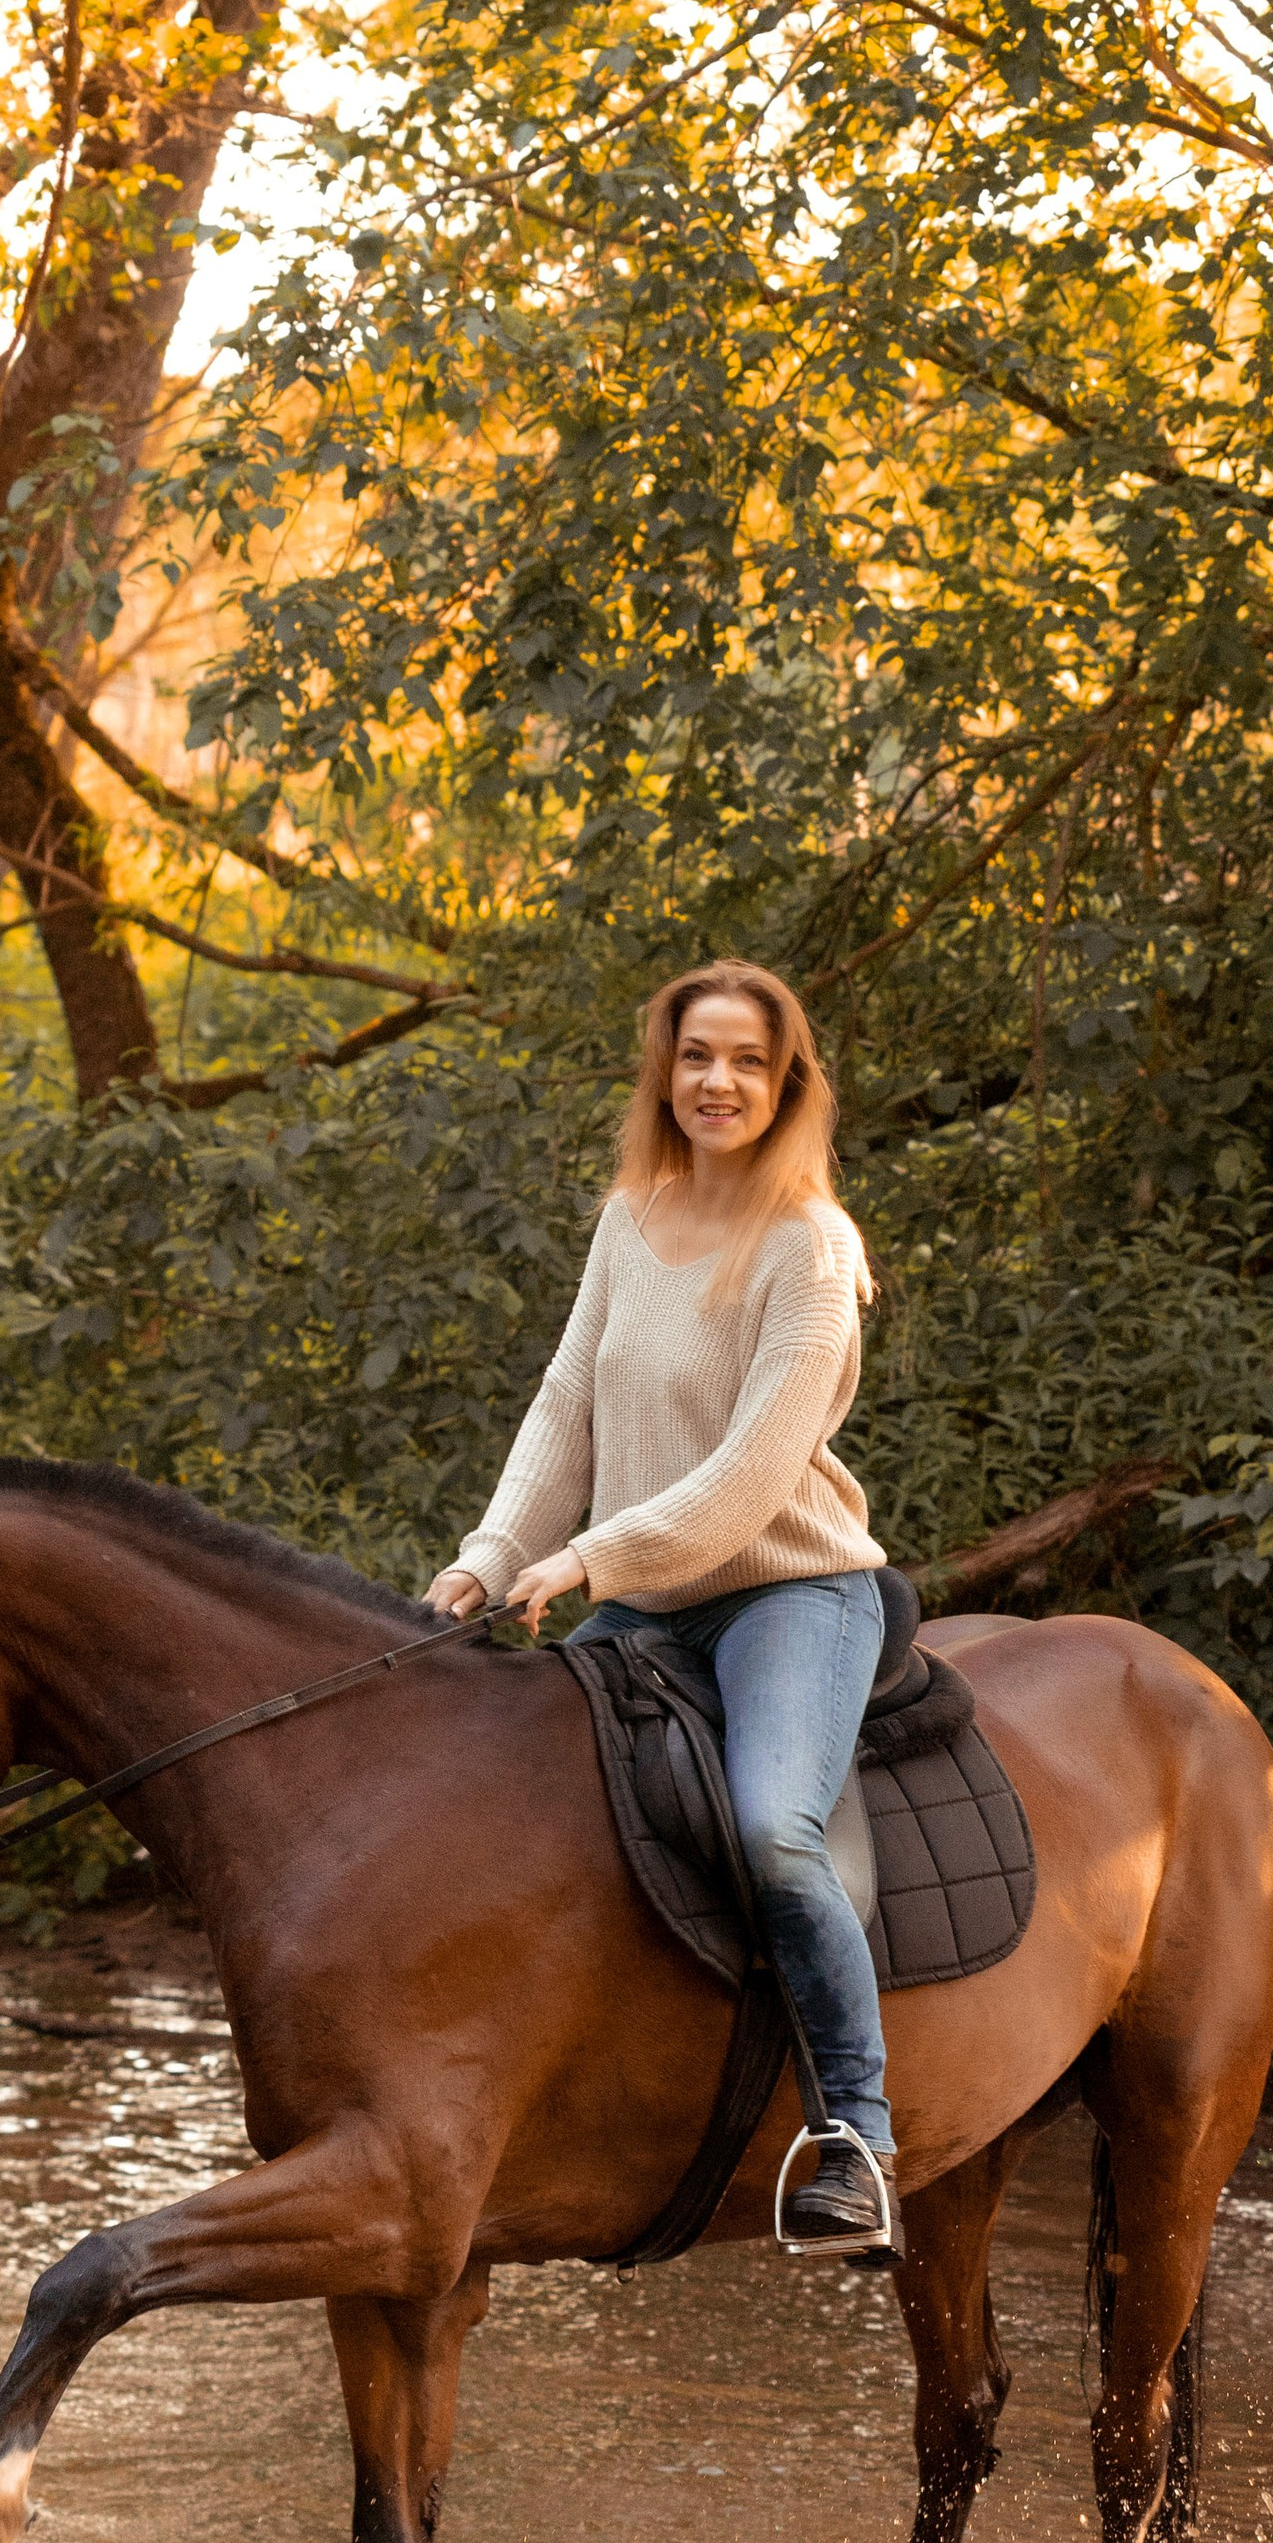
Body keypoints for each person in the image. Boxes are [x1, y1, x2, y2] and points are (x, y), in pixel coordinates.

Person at [425, 956, 898, 2251]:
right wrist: (488, 1550)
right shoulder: (630, 1216)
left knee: (769, 1833)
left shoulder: (810, 1244)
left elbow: (750, 1477)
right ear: (664, 1071)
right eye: (697, 1056)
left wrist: (588, 1560)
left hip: (787, 1593)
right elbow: (564, 1407)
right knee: (503, 1798)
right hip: (642, 1590)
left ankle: (856, 2135)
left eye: (747, 1060)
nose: (717, 1081)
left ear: (785, 1081)